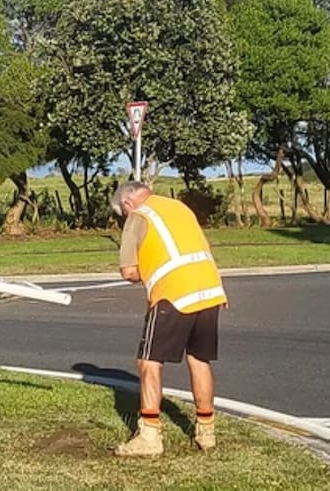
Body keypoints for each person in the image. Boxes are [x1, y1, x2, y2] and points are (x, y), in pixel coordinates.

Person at [110, 180, 227, 457]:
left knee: (148, 361)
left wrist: (148, 271)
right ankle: (206, 431)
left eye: (122, 213)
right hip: (210, 289)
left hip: (174, 293)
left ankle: (149, 435)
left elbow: (128, 271)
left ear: (127, 203)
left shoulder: (138, 216)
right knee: (199, 359)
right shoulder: (178, 207)